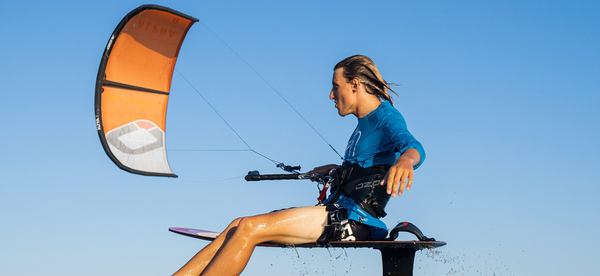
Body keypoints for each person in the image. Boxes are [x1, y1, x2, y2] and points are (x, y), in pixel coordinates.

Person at [173, 55, 425, 276]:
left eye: (336, 86)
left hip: (354, 221)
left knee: (249, 228)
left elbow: (414, 147)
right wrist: (337, 170)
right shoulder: (363, 125)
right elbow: (369, 167)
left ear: (355, 85)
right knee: (237, 224)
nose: (331, 95)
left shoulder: (385, 116)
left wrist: (405, 161)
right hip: (339, 212)